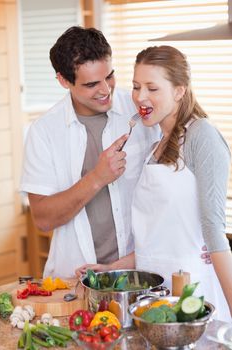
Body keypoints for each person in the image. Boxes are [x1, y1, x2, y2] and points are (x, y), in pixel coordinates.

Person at [77, 45, 232, 322]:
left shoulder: (202, 137)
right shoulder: (155, 146)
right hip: (154, 300)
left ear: (179, 90)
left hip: (194, 298)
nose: (140, 97)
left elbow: (214, 232)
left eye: (152, 88)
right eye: (136, 87)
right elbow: (156, 241)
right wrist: (110, 268)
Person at [19, 26, 160, 279]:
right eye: (92, 84)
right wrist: (97, 177)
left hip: (140, 272)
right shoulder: (44, 132)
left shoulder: (140, 109)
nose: (106, 89)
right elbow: (42, 219)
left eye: (110, 76)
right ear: (64, 81)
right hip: (74, 279)